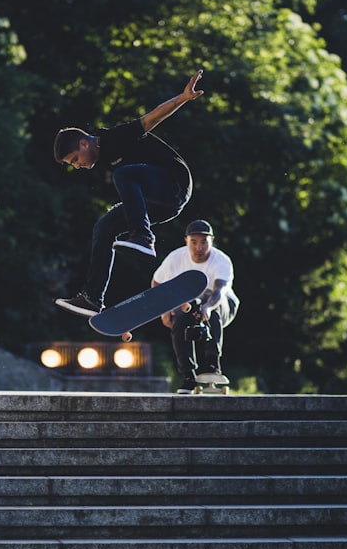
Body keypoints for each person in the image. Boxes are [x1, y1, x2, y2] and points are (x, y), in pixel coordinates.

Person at [53, 69, 205, 316]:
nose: (78, 165)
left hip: (173, 183)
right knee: (103, 228)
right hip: (157, 204)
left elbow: (151, 119)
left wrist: (182, 98)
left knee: (123, 175)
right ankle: (93, 298)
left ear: (84, 143)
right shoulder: (100, 158)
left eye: (75, 159)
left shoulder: (113, 139)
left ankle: (143, 237)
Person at [152, 220, 239, 394]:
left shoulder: (221, 260)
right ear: (186, 241)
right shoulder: (176, 258)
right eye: (194, 242)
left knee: (212, 309)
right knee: (179, 319)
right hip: (189, 301)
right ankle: (188, 376)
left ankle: (212, 365)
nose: (199, 248)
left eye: (203, 242)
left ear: (212, 241)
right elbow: (157, 283)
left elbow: (219, 291)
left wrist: (207, 307)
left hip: (223, 303)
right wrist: (164, 311)